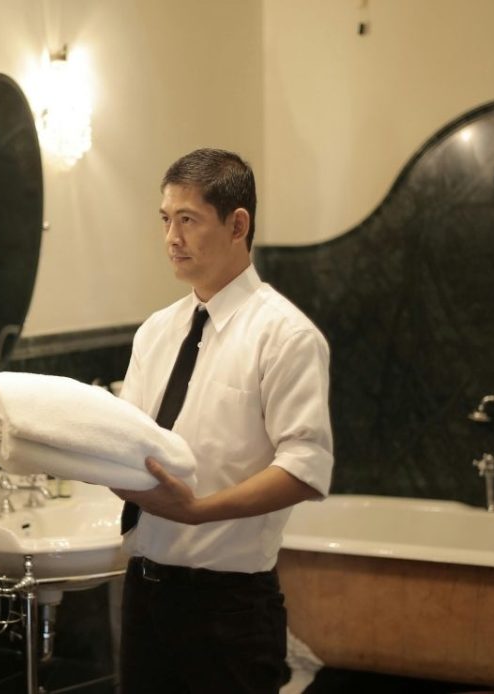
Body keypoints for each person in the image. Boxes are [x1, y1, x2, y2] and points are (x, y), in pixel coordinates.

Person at [113, 148, 334, 693]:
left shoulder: (286, 335)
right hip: (144, 597)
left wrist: (198, 512)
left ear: (239, 224)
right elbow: (129, 441)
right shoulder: (156, 332)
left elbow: (306, 468)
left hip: (230, 610)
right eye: (166, 220)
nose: (172, 238)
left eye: (188, 220)